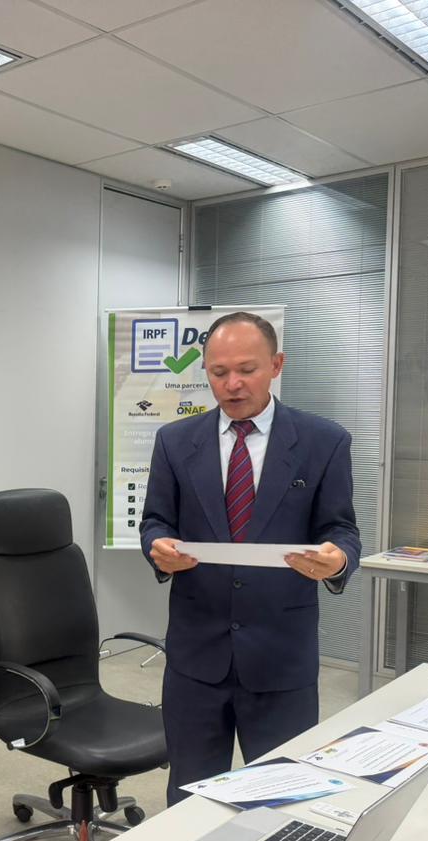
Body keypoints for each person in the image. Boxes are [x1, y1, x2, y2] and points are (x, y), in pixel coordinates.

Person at [140, 312, 361, 807]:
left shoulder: (323, 442)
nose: (232, 384)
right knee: (191, 797)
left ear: (276, 365)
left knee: (283, 799)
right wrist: (158, 547)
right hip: (197, 657)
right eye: (219, 372)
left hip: (281, 656)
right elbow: (155, 521)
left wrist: (338, 559)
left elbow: (341, 530)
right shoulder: (175, 441)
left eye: (247, 369)